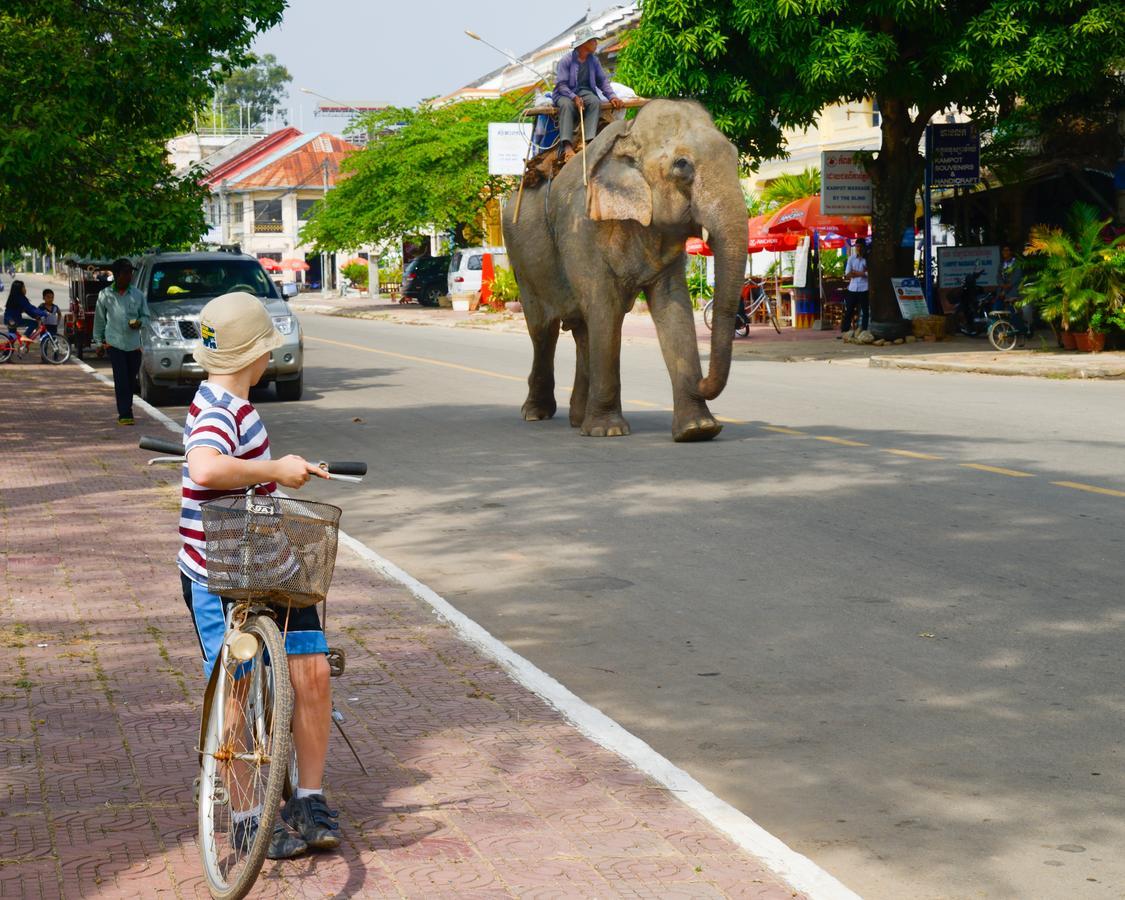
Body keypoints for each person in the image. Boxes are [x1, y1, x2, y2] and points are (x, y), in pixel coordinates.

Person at [179, 291, 338, 860]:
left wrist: (278, 477)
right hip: (217, 574)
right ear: (257, 356)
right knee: (238, 690)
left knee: (312, 671)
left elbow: (241, 481)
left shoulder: (236, 404)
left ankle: (309, 799)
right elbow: (204, 467)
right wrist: (274, 468)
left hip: (264, 558)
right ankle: (248, 820)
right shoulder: (221, 407)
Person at [554, 25, 624, 162]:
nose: (596, 44)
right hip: (565, 94)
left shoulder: (594, 61)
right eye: (593, 41)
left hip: (585, 91)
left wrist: (612, 96)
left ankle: (586, 141)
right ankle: (567, 148)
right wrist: (574, 97)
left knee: (594, 101)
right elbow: (561, 85)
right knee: (567, 105)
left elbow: (602, 81)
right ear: (583, 44)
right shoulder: (566, 61)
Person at [93, 258, 150, 425]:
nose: (129, 276)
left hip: (133, 345)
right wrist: (99, 342)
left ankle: (127, 408)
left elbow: (146, 316)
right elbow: (100, 320)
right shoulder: (105, 295)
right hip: (114, 343)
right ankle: (125, 413)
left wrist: (140, 322)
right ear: (117, 275)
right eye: (125, 273)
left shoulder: (138, 295)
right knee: (121, 379)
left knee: (131, 380)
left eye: (130, 273)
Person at [995, 244, 1029, 329]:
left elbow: (1017, 277)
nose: (1005, 252)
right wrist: (1002, 286)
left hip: (1014, 290)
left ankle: (1019, 329)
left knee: (1013, 310)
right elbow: (998, 277)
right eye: (1003, 250)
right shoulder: (1001, 264)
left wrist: (1006, 287)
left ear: (1011, 252)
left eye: (1007, 250)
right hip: (1002, 291)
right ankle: (1001, 328)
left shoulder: (1016, 263)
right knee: (996, 308)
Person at [840, 240, 870, 334]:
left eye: (860, 246)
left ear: (864, 247)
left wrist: (856, 272)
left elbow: (870, 274)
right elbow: (848, 274)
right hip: (852, 288)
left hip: (864, 288)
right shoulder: (851, 258)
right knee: (849, 310)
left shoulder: (868, 259)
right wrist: (862, 273)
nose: (858, 248)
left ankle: (864, 331)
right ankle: (845, 330)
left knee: (865, 311)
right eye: (857, 246)